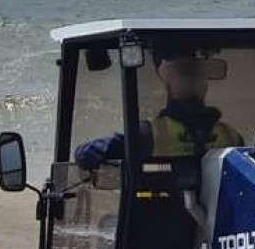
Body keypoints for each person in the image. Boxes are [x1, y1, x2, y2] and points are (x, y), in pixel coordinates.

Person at [75, 47, 243, 170]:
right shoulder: (231, 137)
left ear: (168, 84)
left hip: (157, 216)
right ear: (204, 86)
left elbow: (84, 155)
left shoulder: (147, 135)